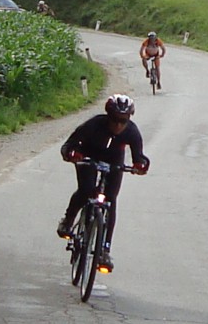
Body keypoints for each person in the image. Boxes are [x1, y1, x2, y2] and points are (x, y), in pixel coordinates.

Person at [56, 94, 150, 272]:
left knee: (111, 199)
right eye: (114, 120)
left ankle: (105, 250)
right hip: (89, 156)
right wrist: (72, 154)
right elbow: (70, 144)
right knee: (86, 190)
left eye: (123, 121)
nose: (118, 125)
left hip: (114, 161)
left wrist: (140, 166)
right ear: (108, 116)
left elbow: (140, 157)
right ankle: (68, 220)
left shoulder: (132, 132)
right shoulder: (94, 124)